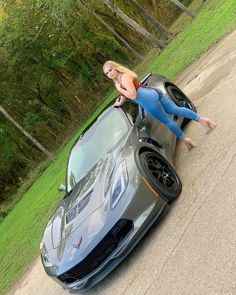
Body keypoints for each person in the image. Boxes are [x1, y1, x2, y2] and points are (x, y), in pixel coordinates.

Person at [103, 60, 216, 150]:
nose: (109, 74)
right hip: (152, 92)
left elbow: (132, 95)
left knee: (168, 121)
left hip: (147, 99)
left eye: (110, 70)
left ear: (115, 67)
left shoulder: (123, 78)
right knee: (176, 109)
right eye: (107, 73)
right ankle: (203, 121)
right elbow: (124, 93)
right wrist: (119, 102)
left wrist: (118, 88)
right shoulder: (121, 79)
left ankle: (186, 140)